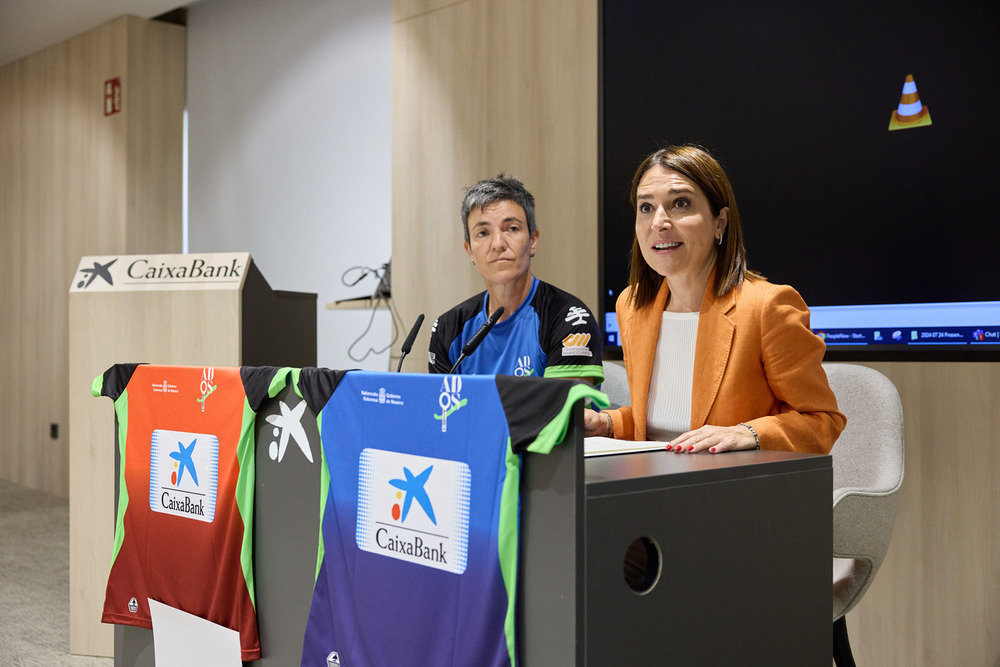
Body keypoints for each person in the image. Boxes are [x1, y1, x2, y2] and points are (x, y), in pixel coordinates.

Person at [584, 145, 845, 453]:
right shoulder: (632, 305)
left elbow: (821, 421)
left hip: (734, 488)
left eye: (680, 203)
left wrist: (748, 434)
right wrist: (608, 423)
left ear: (720, 221)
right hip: (652, 485)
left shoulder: (767, 306)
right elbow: (661, 425)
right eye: (646, 207)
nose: (659, 222)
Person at [428, 174, 604, 382]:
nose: (498, 244)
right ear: (469, 251)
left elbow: (565, 412)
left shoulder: (569, 320)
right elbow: (441, 411)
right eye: (483, 233)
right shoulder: (450, 327)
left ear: (533, 241)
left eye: (512, 228)